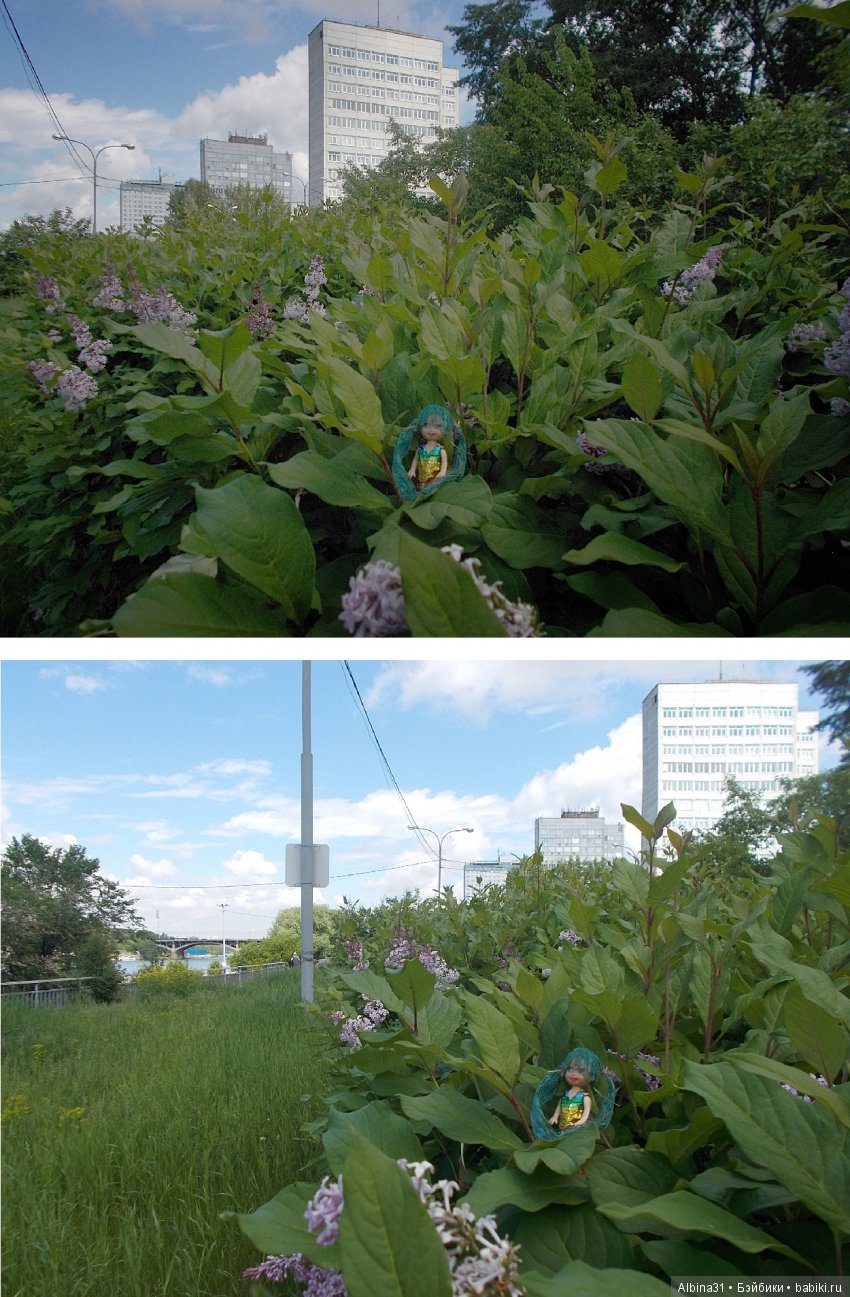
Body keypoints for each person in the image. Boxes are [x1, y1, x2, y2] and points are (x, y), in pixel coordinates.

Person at [407, 408, 448, 491]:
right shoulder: (420, 449)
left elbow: (444, 462)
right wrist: (412, 469)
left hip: (435, 480)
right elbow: (415, 459)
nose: (431, 430)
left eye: (437, 427)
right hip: (421, 480)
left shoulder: (441, 450)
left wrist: (443, 471)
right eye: (426, 426)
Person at [548, 1055, 593, 1131]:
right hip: (562, 1128)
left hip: (576, 1130)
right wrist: (555, 1116)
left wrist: (581, 1122)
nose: (573, 1074)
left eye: (580, 1071)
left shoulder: (585, 1097)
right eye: (570, 1070)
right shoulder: (565, 1094)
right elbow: (560, 1105)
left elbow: (586, 1114)